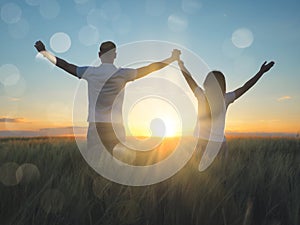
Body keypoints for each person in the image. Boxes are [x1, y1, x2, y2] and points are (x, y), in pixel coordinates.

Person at [34, 40, 181, 156]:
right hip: (116, 126)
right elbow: (150, 68)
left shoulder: (90, 73)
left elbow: (66, 65)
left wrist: (45, 52)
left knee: (95, 163)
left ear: (99, 55)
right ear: (115, 55)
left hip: (96, 125)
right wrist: (171, 58)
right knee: (117, 165)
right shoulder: (124, 74)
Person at [177, 58, 275, 172]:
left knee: (198, 176)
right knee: (222, 175)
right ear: (223, 85)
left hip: (200, 144)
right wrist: (261, 72)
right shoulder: (226, 99)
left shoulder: (201, 96)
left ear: (207, 83)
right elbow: (246, 87)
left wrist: (180, 64)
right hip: (219, 145)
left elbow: (189, 79)